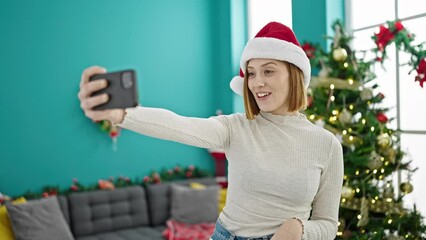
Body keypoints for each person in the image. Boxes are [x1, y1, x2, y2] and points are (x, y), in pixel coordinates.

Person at [78, 22, 343, 240]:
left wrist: (299, 230)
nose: (256, 82)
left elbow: (328, 224)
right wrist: (121, 114)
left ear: (294, 74)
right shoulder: (236, 127)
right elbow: (179, 125)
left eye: (269, 71)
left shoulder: (326, 145)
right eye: (250, 73)